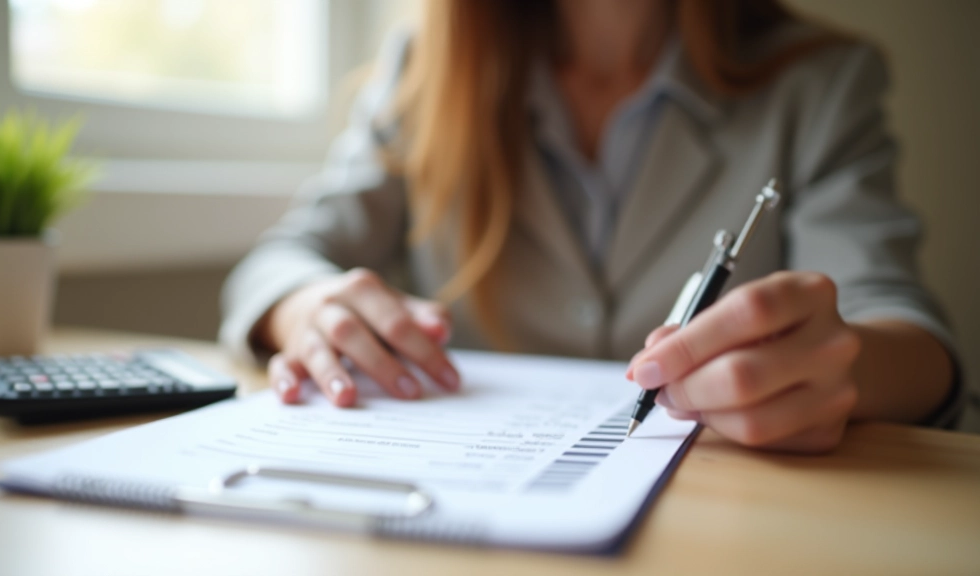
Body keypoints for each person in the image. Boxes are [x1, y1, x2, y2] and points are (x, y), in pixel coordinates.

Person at [221, 0, 962, 453]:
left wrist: (846, 368)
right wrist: (303, 306)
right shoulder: (424, 70)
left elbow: (909, 332)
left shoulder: (822, 83)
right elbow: (288, 256)